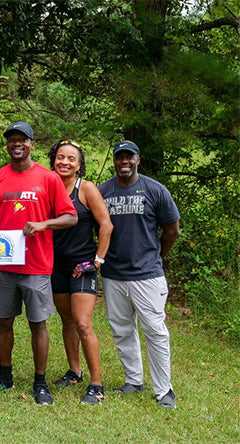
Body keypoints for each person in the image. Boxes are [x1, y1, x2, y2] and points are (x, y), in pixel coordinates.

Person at [0, 121, 77, 405]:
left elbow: (71, 216)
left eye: (22, 139)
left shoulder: (48, 178)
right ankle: (4, 377)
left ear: (32, 144)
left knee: (37, 324)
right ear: (7, 145)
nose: (16, 144)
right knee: (4, 322)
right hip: (3, 267)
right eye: (11, 140)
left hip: (36, 265)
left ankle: (40, 382)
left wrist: (43, 224)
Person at [98, 140, 180, 409]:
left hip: (147, 275)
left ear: (138, 159)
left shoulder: (155, 190)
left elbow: (172, 231)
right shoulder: (104, 191)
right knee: (121, 329)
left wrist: (157, 257)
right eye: (119, 157)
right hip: (114, 274)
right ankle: (133, 379)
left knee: (155, 331)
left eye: (129, 157)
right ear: (114, 160)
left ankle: (164, 390)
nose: (124, 161)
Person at [47, 139, 113, 405]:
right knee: (67, 321)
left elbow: (106, 225)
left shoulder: (86, 189)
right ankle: (74, 371)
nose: (65, 162)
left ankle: (96, 385)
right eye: (60, 157)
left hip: (82, 266)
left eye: (71, 159)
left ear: (79, 164)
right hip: (55, 266)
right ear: (54, 160)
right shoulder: (48, 186)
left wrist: (97, 262)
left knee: (83, 323)